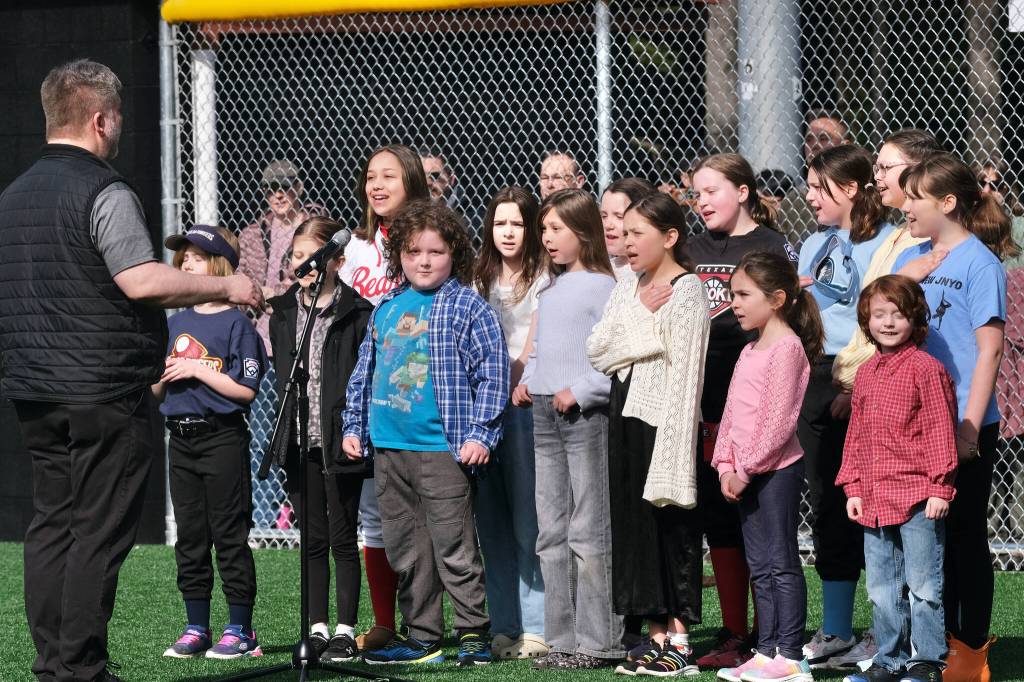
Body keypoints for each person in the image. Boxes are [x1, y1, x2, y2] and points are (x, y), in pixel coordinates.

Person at [0, 59, 262, 682]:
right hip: (101, 390)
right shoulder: (104, 190)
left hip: (34, 391)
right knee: (95, 531)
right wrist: (229, 289)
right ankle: (82, 667)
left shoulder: (10, 198)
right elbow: (139, 279)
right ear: (99, 119)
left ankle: (52, 665)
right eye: (116, 119)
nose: (118, 130)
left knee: (51, 526)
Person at [342, 200, 509, 666]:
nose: (424, 261)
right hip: (390, 447)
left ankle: (474, 633)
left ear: (454, 253)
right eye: (414, 252)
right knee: (405, 546)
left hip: (443, 449)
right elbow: (363, 374)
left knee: (454, 545)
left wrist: (481, 434)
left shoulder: (467, 307)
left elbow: (493, 376)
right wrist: (353, 426)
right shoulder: (388, 308)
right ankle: (422, 635)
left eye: (435, 252)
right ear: (400, 256)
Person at [892, 152, 1016, 682]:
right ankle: (925, 645)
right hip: (910, 423)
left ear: (947, 202)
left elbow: (988, 352)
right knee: (917, 538)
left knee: (964, 535)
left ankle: (969, 651)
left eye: (915, 197)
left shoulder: (981, 265)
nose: (906, 208)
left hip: (962, 424)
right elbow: (883, 323)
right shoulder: (913, 258)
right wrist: (904, 276)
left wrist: (969, 425)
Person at [587, 193, 709, 677]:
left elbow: (685, 380)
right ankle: (654, 635)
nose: (626, 240)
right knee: (637, 529)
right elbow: (598, 350)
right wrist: (639, 314)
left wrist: (675, 458)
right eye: (625, 231)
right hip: (626, 417)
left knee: (670, 528)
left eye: (638, 233)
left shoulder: (688, 290)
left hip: (665, 425)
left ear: (670, 237)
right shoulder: (629, 286)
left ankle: (679, 640)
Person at [686, 153, 800, 670]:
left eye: (712, 190)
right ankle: (736, 632)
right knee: (722, 524)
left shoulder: (770, 246)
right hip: (707, 404)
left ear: (744, 191)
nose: (701, 200)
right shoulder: (690, 248)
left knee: (767, 533)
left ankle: (776, 638)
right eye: (696, 192)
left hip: (761, 402)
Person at [512, 188, 622, 670]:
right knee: (550, 530)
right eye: (544, 230)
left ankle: (599, 642)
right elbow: (540, 348)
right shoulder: (550, 288)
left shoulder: (605, 285)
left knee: (588, 530)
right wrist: (531, 379)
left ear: (584, 231)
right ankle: (562, 640)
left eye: (558, 229)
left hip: (583, 418)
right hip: (542, 414)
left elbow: (615, 355)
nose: (548, 238)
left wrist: (582, 390)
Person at [798, 144, 897, 669]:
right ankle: (836, 630)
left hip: (866, 376)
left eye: (820, 186)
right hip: (816, 376)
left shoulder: (890, 242)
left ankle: (889, 633)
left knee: (880, 505)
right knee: (828, 501)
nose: (810, 195)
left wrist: (855, 385)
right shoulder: (812, 243)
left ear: (852, 188)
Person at [836, 275, 958, 682]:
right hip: (873, 498)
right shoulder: (867, 373)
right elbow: (856, 434)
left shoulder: (927, 369)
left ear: (915, 319)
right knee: (882, 588)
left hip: (919, 497)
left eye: (899, 314)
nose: (888, 322)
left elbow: (941, 429)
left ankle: (926, 661)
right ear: (866, 319)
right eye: (879, 314)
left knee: (923, 585)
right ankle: (889, 660)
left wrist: (941, 487)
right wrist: (853, 486)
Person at [155, 226, 268, 661]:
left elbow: (246, 390)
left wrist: (197, 369)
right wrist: (159, 374)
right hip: (180, 441)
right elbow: (157, 390)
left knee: (229, 534)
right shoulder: (175, 320)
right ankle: (195, 625)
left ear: (218, 265)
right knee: (191, 537)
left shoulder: (237, 324)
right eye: (183, 257)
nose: (186, 263)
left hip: (220, 438)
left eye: (196, 257)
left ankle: (240, 627)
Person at [711, 251, 823, 682]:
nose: (734, 303)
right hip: (744, 473)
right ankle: (766, 651)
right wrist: (724, 464)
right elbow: (732, 414)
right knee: (758, 564)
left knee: (780, 561)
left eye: (743, 294)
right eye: (731, 294)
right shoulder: (750, 348)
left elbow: (778, 422)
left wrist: (747, 468)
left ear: (776, 299)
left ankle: (791, 655)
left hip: (774, 473)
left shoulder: (788, 349)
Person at [268, 217, 374, 662]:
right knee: (310, 537)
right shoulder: (285, 310)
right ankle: (316, 628)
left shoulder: (357, 312)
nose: (304, 265)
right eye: (297, 256)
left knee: (342, 537)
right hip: (298, 439)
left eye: (313, 257)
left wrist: (353, 428)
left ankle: (346, 630)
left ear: (336, 261)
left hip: (338, 439)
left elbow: (360, 375)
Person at [338, 143, 430, 651]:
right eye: (370, 176)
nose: (376, 185)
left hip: (417, 392)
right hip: (365, 393)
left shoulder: (428, 243)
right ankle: (383, 622)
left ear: (411, 181)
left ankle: (429, 621)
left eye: (388, 176)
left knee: (423, 514)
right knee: (374, 515)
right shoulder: (354, 250)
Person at [471, 187, 549, 660]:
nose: (507, 232)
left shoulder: (543, 276)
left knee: (528, 520)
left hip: (521, 407)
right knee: (491, 524)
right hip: (482, 411)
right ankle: (504, 625)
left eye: (517, 224)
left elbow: (530, 349)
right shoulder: (478, 277)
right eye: (500, 223)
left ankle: (536, 626)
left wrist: (506, 377)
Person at [236, 158, 325, 530]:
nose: (279, 194)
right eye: (272, 188)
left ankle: (308, 509)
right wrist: (274, 291)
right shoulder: (253, 235)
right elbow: (248, 286)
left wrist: (275, 292)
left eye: (287, 187)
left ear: (299, 189)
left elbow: (312, 281)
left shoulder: (314, 227)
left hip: (304, 337)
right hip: (265, 341)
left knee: (308, 428)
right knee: (262, 431)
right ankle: (266, 517)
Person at [599, 177, 658, 280]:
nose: (608, 225)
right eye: (604, 216)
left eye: (619, 217)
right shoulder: (601, 270)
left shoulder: (656, 274)